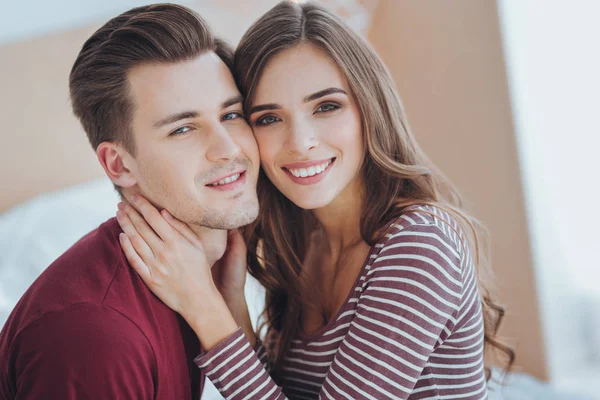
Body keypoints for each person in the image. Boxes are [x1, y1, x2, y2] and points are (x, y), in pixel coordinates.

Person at [117, 1, 515, 399]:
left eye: (327, 107)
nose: (301, 143)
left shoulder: (419, 246)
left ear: (369, 108)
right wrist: (233, 301)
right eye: (268, 118)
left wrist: (202, 304)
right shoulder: (302, 238)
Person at [0, 4, 260, 399]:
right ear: (119, 164)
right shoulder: (96, 336)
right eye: (183, 128)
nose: (227, 149)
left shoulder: (207, 284)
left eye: (231, 114)